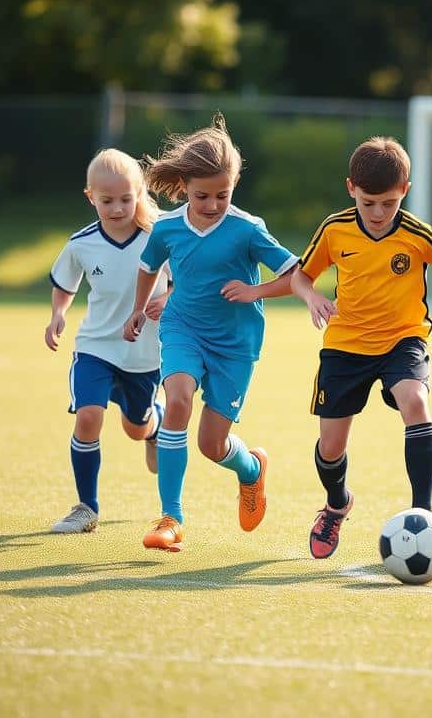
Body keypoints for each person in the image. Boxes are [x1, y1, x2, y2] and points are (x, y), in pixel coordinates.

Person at [290, 136, 432, 561]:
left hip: (402, 339)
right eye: (369, 202)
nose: (377, 213)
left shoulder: (416, 233)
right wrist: (312, 296)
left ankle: (424, 520)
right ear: (351, 187)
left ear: (404, 192)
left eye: (389, 203)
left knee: (415, 402)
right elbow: (302, 275)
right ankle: (337, 503)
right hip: (345, 344)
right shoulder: (334, 229)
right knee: (331, 447)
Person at [123, 114, 297, 552]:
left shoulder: (247, 229)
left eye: (223, 194)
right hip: (182, 327)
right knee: (176, 400)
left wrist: (255, 289)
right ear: (183, 185)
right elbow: (148, 267)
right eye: (202, 195)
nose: (213, 204)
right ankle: (171, 519)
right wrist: (140, 310)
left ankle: (251, 470)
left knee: (211, 443)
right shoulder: (166, 229)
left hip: (235, 346)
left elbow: (296, 274)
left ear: (235, 185)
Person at [46, 149, 170, 534]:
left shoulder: (161, 236)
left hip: (144, 355)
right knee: (88, 417)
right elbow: (65, 283)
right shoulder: (82, 243)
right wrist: (58, 314)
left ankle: (155, 425)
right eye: (107, 201)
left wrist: (168, 298)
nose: (117, 209)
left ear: (140, 192)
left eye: (126, 199)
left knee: (135, 428)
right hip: (95, 347)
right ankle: (86, 507)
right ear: (90, 197)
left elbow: (189, 275)